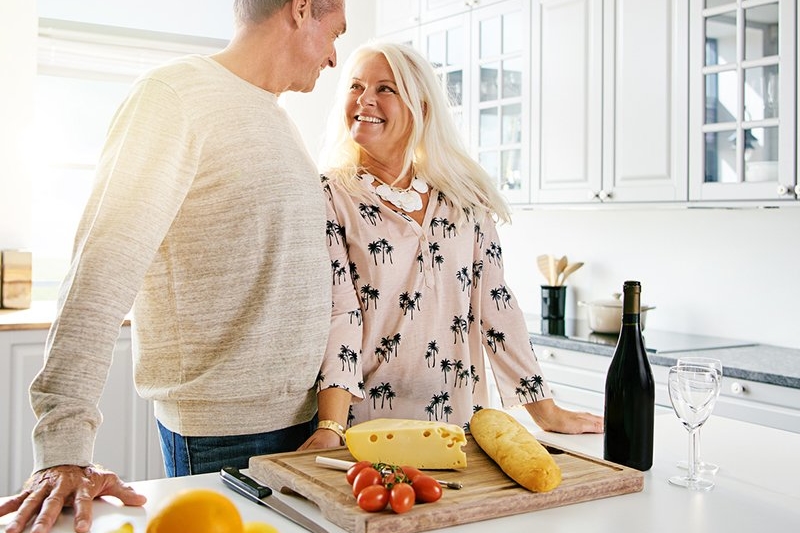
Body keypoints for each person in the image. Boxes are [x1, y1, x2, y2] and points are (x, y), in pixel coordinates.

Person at [0, 1, 347, 532]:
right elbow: (103, 263)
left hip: (303, 429)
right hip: (223, 438)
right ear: (302, 10)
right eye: (335, 33)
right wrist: (63, 445)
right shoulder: (174, 98)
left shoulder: (275, 117)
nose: (332, 57)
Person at [302, 41, 603, 443]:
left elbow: (496, 306)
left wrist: (546, 412)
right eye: (355, 87)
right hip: (368, 429)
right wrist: (331, 426)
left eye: (385, 89)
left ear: (421, 107)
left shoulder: (465, 197)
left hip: (459, 429)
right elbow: (341, 316)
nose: (364, 100)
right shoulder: (329, 195)